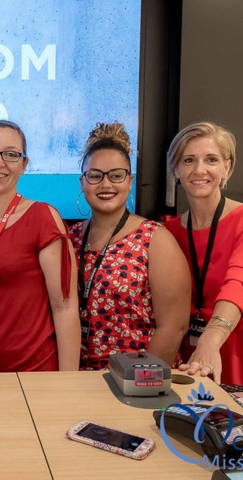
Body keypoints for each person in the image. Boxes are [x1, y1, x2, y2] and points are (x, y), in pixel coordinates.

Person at [0, 120, 80, 372]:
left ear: (24, 165)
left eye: (10, 154)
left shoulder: (42, 218)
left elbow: (65, 307)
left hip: (30, 376)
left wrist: (68, 385)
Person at [165, 122, 243, 385]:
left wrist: (211, 338)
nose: (199, 170)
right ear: (176, 169)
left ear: (227, 167)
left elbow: (240, 283)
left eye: (211, 160)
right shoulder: (169, 232)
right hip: (186, 355)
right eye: (189, 160)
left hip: (239, 353)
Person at [71, 122, 190, 370]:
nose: (105, 184)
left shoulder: (155, 239)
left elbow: (173, 326)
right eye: (95, 176)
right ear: (82, 182)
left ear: (129, 181)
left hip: (135, 379)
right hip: (75, 377)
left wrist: (143, 383)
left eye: (116, 175)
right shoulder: (69, 239)